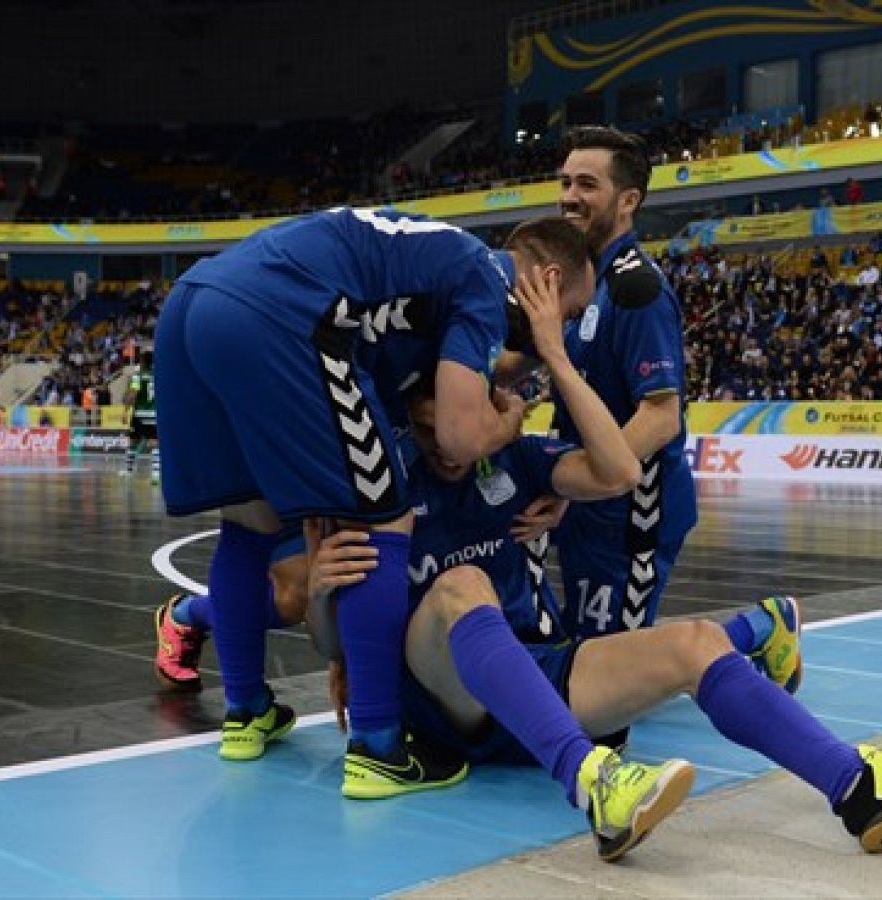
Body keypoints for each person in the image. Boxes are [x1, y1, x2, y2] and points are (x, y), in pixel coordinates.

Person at [310, 377, 882, 858]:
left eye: (457, 423)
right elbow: (323, 632)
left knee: (693, 641)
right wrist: (320, 598)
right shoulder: (385, 483)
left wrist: (553, 354)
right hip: (442, 698)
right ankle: (593, 783)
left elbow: (620, 469)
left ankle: (857, 788)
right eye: (427, 427)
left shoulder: (511, 456)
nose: (445, 443)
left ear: (490, 409)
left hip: (532, 673)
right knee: (464, 585)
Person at [152, 208, 583, 795]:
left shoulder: (428, 272)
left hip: (194, 303)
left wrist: (351, 647)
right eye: (573, 313)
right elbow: (458, 435)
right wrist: (507, 428)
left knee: (248, 520)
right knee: (384, 516)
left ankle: (246, 709)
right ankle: (379, 747)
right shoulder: (483, 275)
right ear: (548, 283)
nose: (568, 328)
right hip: (282, 313)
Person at [541, 125, 698, 639]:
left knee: (607, 668)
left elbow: (660, 415)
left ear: (628, 199)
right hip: (588, 507)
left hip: (633, 517)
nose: (569, 198)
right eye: (565, 183)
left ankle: (758, 629)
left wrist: (583, 485)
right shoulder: (586, 281)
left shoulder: (637, 288)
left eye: (587, 185)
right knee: (575, 652)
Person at [122, 349, 159, 482]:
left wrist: (125, 410)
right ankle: (156, 474)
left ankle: (128, 470)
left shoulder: (138, 376)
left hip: (139, 414)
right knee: (154, 443)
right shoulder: (158, 375)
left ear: (142, 361)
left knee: (133, 441)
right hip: (154, 413)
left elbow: (133, 395)